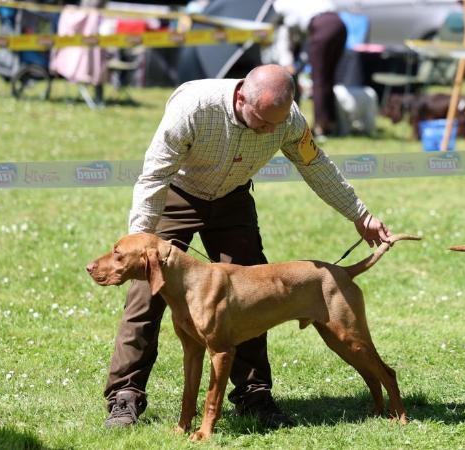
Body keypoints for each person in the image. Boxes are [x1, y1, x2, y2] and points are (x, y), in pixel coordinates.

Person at [103, 64, 392, 428]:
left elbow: (315, 166)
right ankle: (126, 395)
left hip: (233, 200)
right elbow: (154, 176)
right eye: (264, 122)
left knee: (256, 294)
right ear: (242, 98)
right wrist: (141, 243)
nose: (272, 130)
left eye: (278, 122)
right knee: (145, 296)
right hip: (177, 194)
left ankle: (254, 395)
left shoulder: (286, 119)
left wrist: (360, 215)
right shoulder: (193, 107)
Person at [273, 0, 346, 140]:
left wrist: (288, 64)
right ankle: (331, 124)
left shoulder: (281, 7)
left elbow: (284, 37)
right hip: (339, 25)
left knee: (318, 79)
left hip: (321, 26)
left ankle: (320, 126)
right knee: (328, 77)